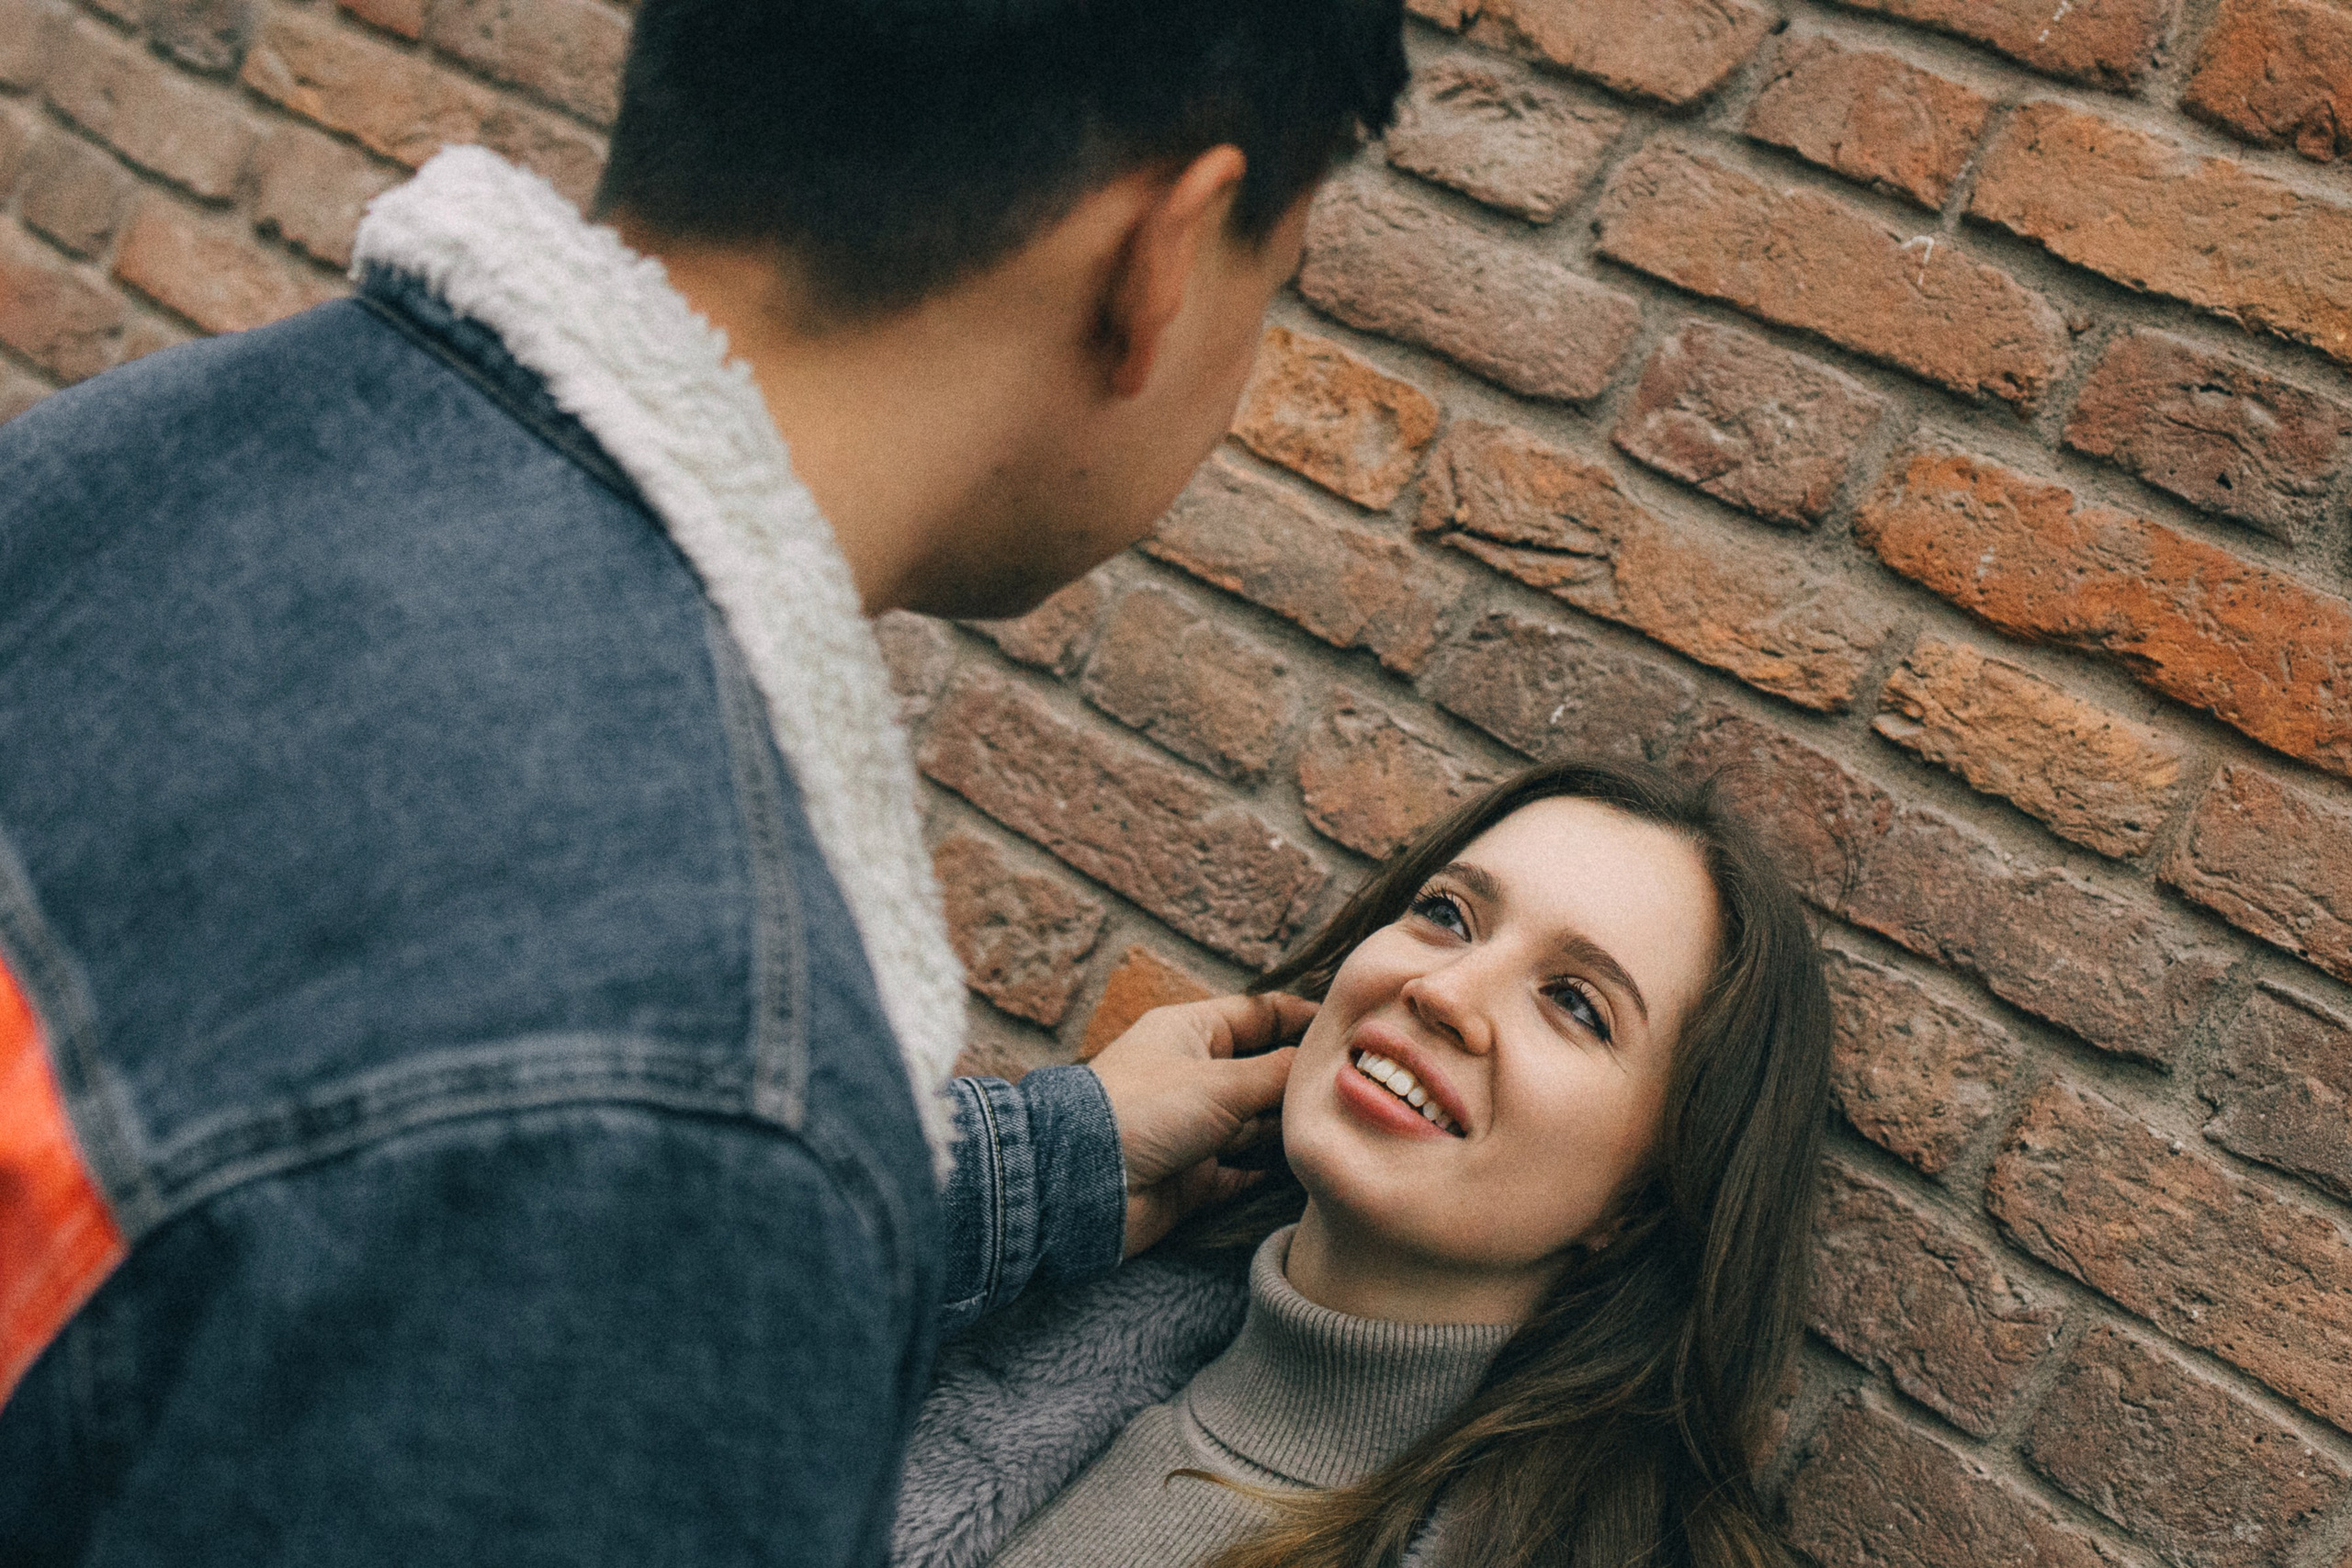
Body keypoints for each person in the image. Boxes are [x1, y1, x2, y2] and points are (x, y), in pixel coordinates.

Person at [0, 3, 1408, 1562]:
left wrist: (1029, 1165)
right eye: (1268, 289)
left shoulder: (115, 460)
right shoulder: (703, 1098)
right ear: (1164, 253)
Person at [892, 759, 1837, 1568]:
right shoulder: (1006, 1313)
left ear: (1640, 1199)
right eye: (1448, 914)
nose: (1441, 990)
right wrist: (1049, 1165)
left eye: (1575, 1003)